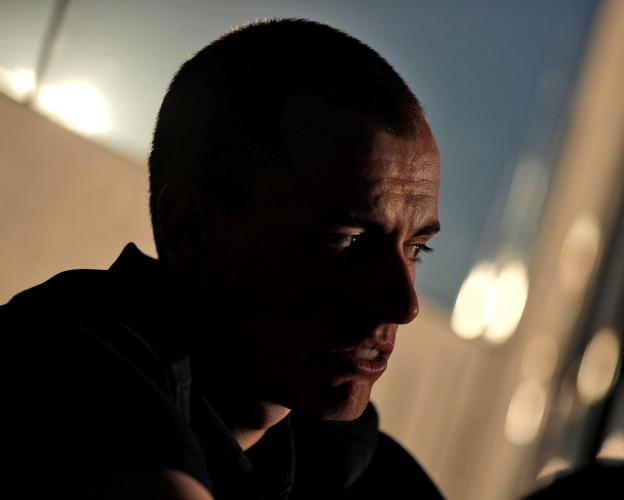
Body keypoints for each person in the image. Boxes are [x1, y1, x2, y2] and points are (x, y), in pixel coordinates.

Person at [1, 18, 443, 499]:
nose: (403, 305)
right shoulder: (58, 369)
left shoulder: (361, 465)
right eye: (350, 241)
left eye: (415, 248)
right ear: (193, 231)